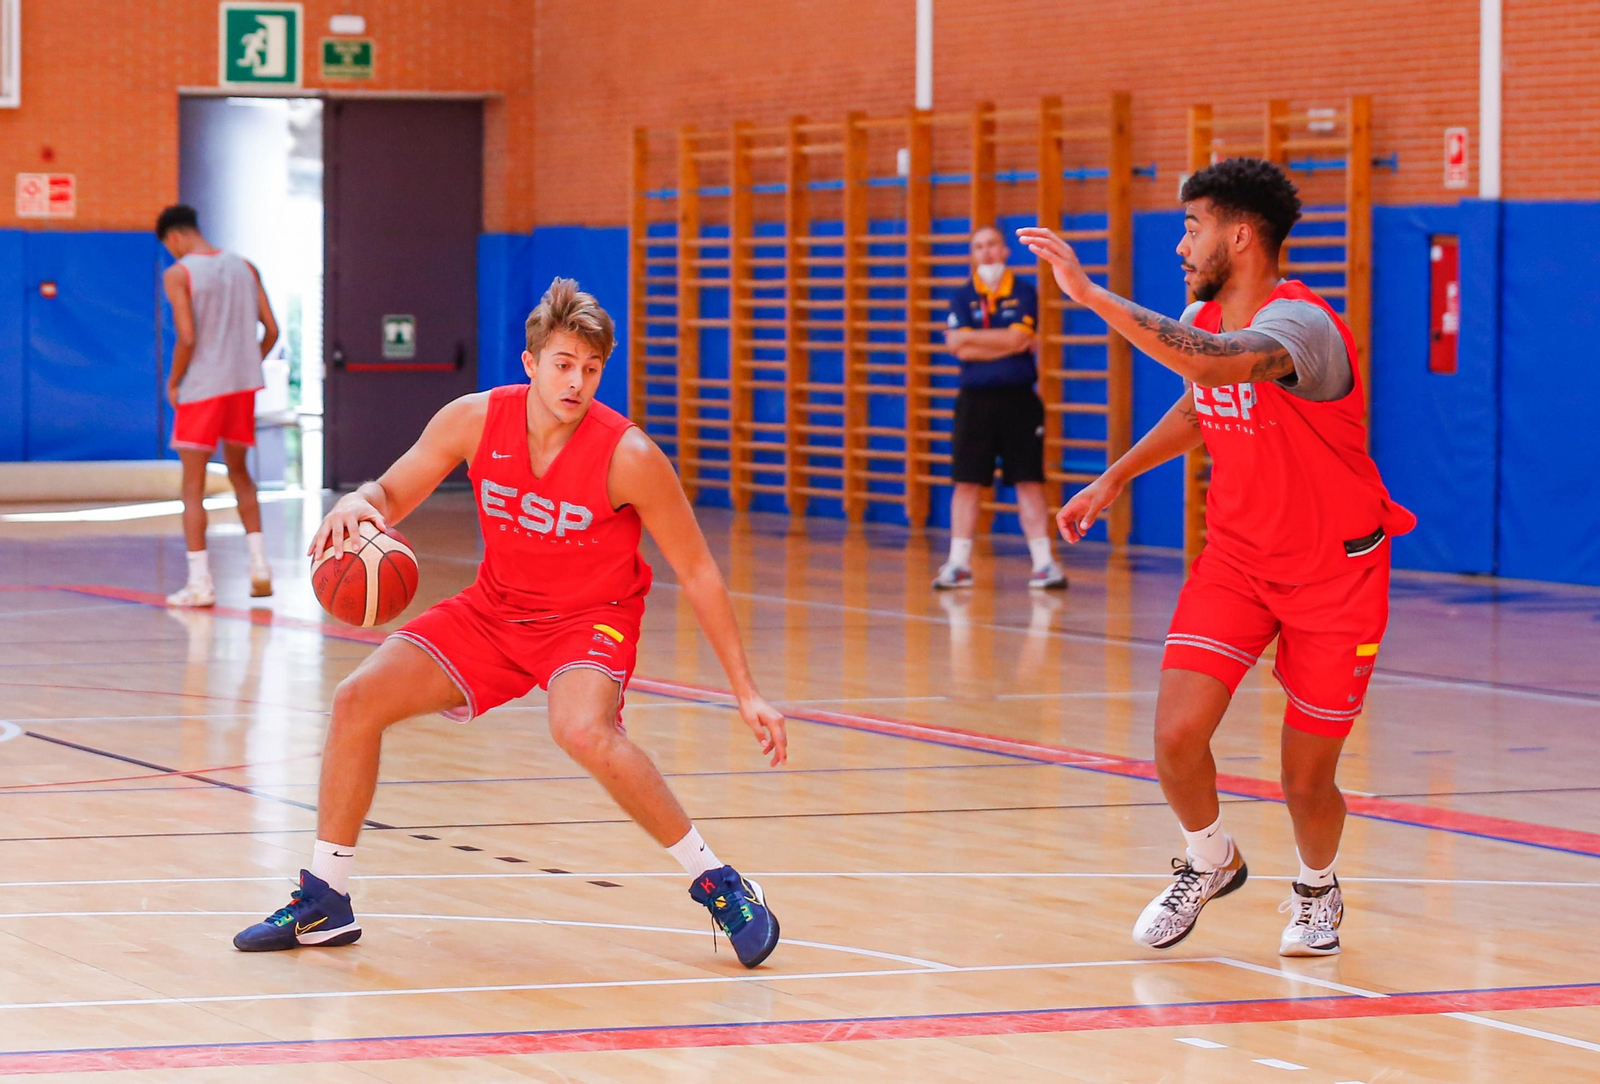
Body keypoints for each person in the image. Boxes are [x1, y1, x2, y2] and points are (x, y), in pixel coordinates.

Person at [233, 279, 789, 969]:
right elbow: (392, 492)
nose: (576, 382)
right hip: (494, 610)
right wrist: (357, 500)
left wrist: (745, 690)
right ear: (530, 363)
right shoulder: (472, 419)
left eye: (591, 369)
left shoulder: (630, 456)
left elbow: (700, 571)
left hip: (590, 619)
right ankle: (325, 899)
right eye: (563, 364)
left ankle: (719, 883)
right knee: (356, 700)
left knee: (581, 729)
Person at [1019, 158, 1414, 957]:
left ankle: (1317, 890)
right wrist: (1113, 478)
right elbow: (1205, 400)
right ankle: (1211, 860)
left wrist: (1091, 296)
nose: (1180, 245)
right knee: (1174, 738)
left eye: (1192, 226)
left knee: (1305, 780)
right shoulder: (1203, 309)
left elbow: (1212, 363)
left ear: (1240, 233)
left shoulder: (1302, 327)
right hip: (1238, 559)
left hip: (1335, 573)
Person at [156, 204, 278, 607]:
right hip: (242, 387)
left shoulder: (178, 273)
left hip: (203, 387)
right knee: (240, 473)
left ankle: (199, 583)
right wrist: (246, 365)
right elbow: (272, 330)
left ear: (173, 237)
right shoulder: (245, 266)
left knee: (193, 487)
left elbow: (187, 337)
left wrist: (174, 382)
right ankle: (260, 565)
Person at [935, 225, 1067, 591]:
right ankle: (958, 564)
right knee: (966, 482)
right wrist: (1003, 343)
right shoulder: (962, 297)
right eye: (978, 246)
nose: (986, 252)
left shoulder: (1023, 292)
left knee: (1028, 480)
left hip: (1019, 401)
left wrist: (975, 341)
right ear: (972, 255)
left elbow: (1019, 337)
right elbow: (957, 347)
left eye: (992, 244)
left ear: (1005, 250)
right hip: (974, 402)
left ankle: (1044, 564)